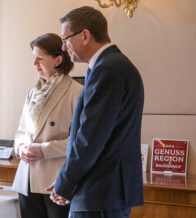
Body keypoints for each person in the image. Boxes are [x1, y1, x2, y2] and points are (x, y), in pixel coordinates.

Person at [46, 6, 144, 218]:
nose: (63, 48)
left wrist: (65, 182)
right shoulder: (106, 67)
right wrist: (68, 182)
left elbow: (90, 139)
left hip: (101, 192)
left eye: (65, 39)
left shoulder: (108, 69)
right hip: (100, 191)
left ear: (85, 36)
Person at [12, 33, 83, 218]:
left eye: (40, 58)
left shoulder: (77, 92)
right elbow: (21, 130)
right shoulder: (32, 93)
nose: (35, 64)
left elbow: (80, 142)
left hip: (55, 178)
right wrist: (20, 148)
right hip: (26, 177)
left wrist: (43, 150)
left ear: (58, 60)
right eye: (34, 58)